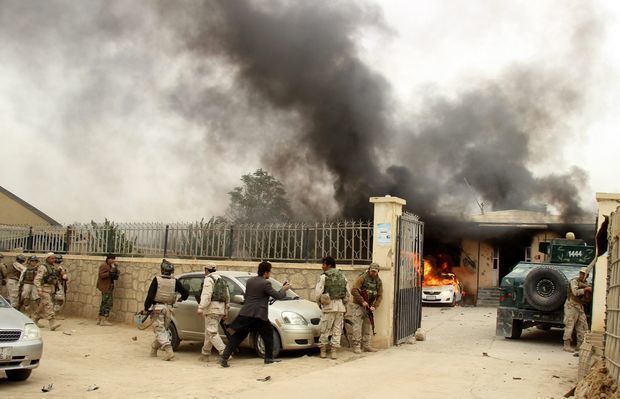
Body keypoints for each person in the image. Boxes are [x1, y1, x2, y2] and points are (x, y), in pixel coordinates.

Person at [219, 261, 290, 368]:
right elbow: (278, 296)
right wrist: (284, 289)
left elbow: (248, 296)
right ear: (266, 272)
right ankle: (269, 358)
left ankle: (224, 358)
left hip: (246, 313)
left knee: (238, 336)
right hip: (259, 315)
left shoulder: (250, 281)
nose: (270, 274)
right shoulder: (265, 283)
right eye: (269, 271)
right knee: (268, 334)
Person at [143, 259, 189, 361]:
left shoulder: (157, 280)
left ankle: (169, 351)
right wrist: (181, 299)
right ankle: (154, 349)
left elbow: (150, 296)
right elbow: (186, 293)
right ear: (172, 271)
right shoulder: (175, 281)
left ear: (162, 270)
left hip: (158, 308)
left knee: (159, 330)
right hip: (169, 309)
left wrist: (146, 308)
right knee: (162, 330)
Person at [314, 255, 349, 359]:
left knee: (325, 329)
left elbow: (317, 293)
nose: (322, 266)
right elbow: (347, 293)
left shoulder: (324, 276)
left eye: (323, 264)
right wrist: (344, 305)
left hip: (328, 306)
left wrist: (319, 303)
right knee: (337, 330)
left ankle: (323, 351)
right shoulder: (343, 276)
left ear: (328, 265)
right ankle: (334, 351)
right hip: (340, 307)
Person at [197, 263, 230, 361]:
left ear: (206, 270)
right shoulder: (221, 279)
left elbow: (206, 295)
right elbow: (227, 297)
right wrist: (226, 311)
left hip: (211, 309)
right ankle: (205, 354)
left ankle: (224, 353)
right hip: (220, 309)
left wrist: (200, 307)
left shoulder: (208, 279)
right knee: (209, 332)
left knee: (211, 332)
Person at [350, 263, 383, 354]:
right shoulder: (362, 278)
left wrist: (374, 306)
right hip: (358, 305)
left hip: (369, 307)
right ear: (369, 269)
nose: (373, 273)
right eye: (372, 271)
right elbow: (353, 290)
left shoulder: (378, 281)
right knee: (357, 326)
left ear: (377, 272)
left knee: (367, 326)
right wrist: (362, 301)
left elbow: (380, 296)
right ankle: (356, 346)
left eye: (375, 272)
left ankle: (366, 345)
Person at [563, 267, 591, 352]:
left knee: (582, 326)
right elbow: (575, 292)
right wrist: (585, 289)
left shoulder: (586, 283)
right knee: (569, 325)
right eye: (581, 273)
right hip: (571, 305)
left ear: (587, 275)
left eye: (584, 274)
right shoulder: (574, 281)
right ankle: (566, 345)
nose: (582, 275)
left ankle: (580, 345)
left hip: (580, 306)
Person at [33, 252, 62, 331]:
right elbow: (37, 280)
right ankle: (52, 322)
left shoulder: (52, 267)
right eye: (52, 258)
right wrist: (39, 289)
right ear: (48, 258)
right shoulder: (43, 267)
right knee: (49, 305)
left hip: (50, 289)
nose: (54, 260)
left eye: (54, 258)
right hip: (43, 289)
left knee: (43, 305)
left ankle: (35, 319)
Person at [96, 254, 117, 326]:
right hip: (105, 287)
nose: (113, 260)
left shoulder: (112, 266)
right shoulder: (104, 265)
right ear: (108, 259)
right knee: (108, 303)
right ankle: (104, 320)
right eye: (112, 259)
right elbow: (101, 275)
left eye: (114, 259)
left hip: (110, 286)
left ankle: (100, 319)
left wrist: (115, 272)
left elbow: (114, 275)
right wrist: (109, 273)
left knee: (104, 302)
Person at [52, 254, 69, 319]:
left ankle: (54, 313)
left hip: (58, 284)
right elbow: (64, 276)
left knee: (57, 299)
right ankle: (55, 314)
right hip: (56, 285)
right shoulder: (57, 268)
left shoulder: (58, 267)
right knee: (59, 299)